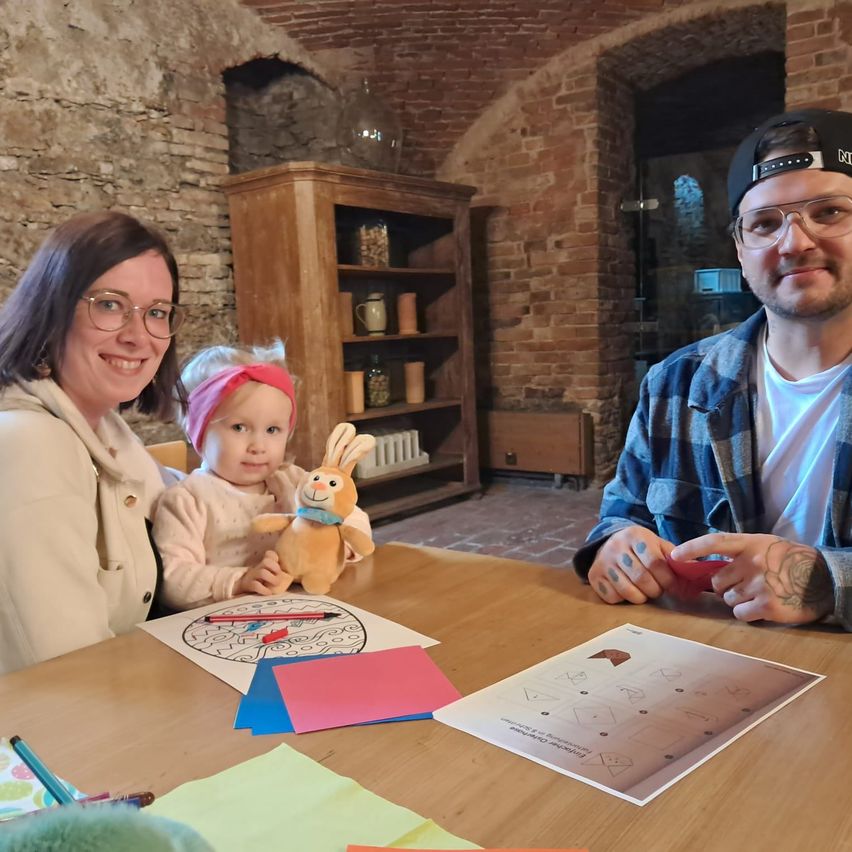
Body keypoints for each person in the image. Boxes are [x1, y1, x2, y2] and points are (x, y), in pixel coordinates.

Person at [574, 108, 852, 631]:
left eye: (830, 212)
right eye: (766, 223)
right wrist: (614, 549)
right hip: (700, 672)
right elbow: (621, 515)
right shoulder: (675, 384)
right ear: (741, 250)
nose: (794, 242)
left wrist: (826, 581)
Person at [0, 210, 188, 674]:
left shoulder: (106, 428)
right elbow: (69, 674)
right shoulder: (30, 446)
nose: (137, 335)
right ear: (52, 308)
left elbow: (181, 500)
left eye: (157, 313)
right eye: (109, 304)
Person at [152, 340, 373, 609]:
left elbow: (354, 518)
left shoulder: (292, 480)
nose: (258, 446)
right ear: (197, 429)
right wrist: (240, 580)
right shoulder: (187, 499)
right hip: (225, 625)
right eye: (239, 427)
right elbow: (172, 581)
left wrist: (337, 544)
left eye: (272, 430)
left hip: (301, 608)